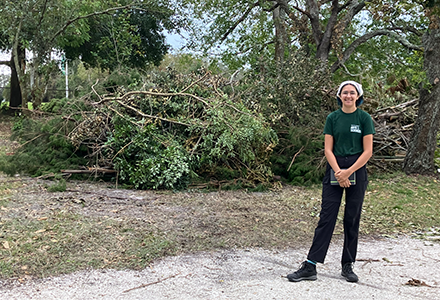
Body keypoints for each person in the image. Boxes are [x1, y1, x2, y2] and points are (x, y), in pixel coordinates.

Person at [287, 80, 375, 283]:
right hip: (335, 168)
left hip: (357, 168)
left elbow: (368, 151)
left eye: (352, 93)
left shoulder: (364, 118)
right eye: (345, 93)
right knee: (327, 217)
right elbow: (328, 149)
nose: (348, 96)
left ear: (358, 96)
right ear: (339, 96)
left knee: (352, 218)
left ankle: (347, 264)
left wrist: (349, 172)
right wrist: (338, 172)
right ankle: (310, 265)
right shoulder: (332, 118)